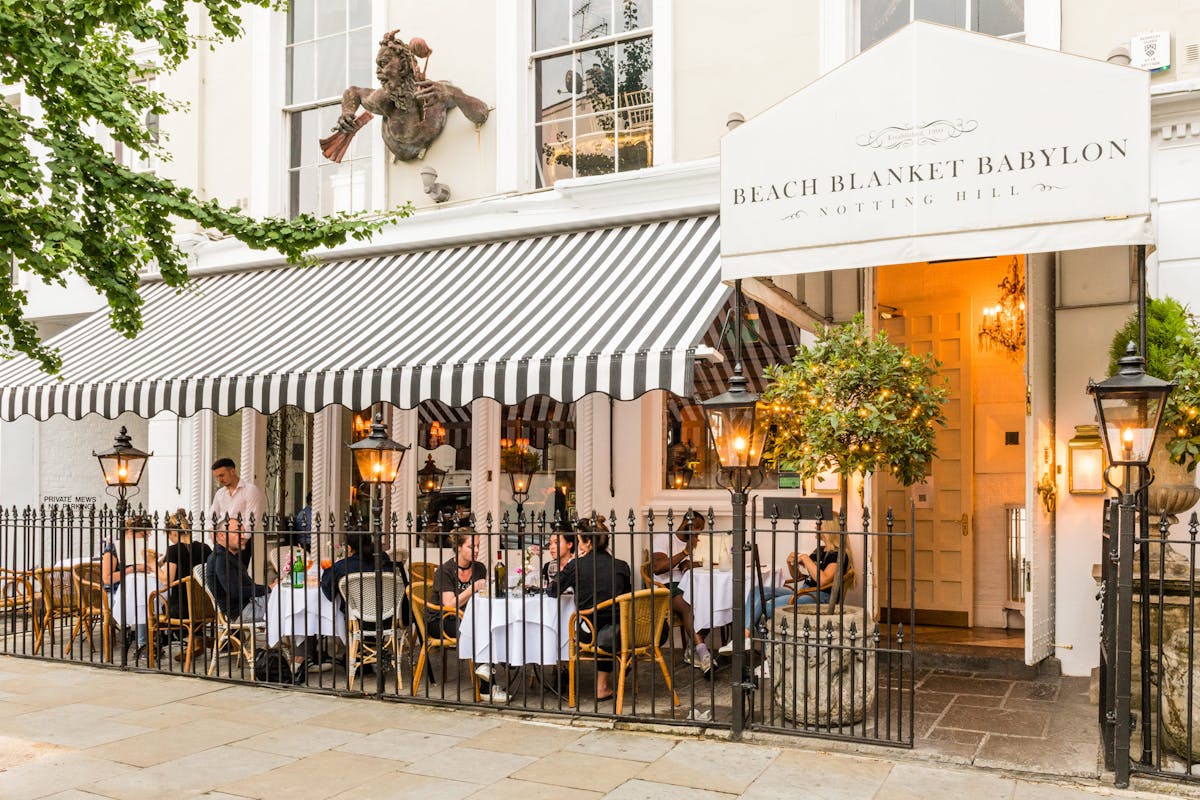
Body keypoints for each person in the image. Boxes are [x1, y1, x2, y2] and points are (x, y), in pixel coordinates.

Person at [721, 530, 852, 655]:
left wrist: (806, 559)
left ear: (830, 529)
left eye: (820, 524)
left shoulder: (839, 555)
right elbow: (797, 577)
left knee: (766, 607)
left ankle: (765, 654)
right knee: (757, 591)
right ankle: (747, 636)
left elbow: (823, 581)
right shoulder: (819, 550)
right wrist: (791, 564)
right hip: (805, 591)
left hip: (821, 596)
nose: (816, 526)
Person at [546, 530, 632, 702]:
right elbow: (627, 597)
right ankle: (603, 686)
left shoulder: (577, 565)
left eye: (579, 541)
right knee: (609, 623)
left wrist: (576, 561)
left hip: (589, 632)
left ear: (587, 543)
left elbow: (553, 591)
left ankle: (593, 684)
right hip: (622, 630)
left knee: (597, 624)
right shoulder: (621, 565)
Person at [428, 531, 505, 703]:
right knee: (478, 628)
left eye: (478, 545)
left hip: (468, 618)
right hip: (441, 621)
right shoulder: (445, 570)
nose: (476, 550)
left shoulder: (479, 568)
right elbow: (448, 605)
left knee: (491, 625)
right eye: (472, 546)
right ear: (459, 548)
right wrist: (472, 589)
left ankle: (488, 672)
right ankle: (488, 687)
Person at [650, 512, 712, 672]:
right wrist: (684, 553)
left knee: (710, 603)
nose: (697, 531)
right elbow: (657, 568)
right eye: (696, 527)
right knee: (687, 605)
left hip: (690, 583)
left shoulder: (696, 542)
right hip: (667, 586)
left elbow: (700, 563)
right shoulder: (664, 538)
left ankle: (692, 650)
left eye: (701, 529)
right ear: (685, 522)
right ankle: (704, 654)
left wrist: (691, 564)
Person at [101, 514, 154, 658]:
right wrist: (132, 569)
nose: (147, 538)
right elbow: (106, 579)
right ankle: (143, 644)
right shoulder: (113, 548)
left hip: (136, 590)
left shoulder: (142, 547)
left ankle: (147, 643)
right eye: (145, 534)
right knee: (141, 600)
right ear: (131, 531)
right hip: (114, 592)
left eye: (149, 535)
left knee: (146, 598)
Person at [205, 519, 272, 623]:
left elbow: (249, 586)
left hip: (252, 603)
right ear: (222, 535)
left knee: (288, 599)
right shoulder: (220, 558)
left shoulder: (230, 556)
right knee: (289, 603)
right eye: (237, 532)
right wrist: (268, 588)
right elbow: (235, 592)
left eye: (243, 532)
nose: (243, 536)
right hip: (243, 612)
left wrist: (271, 587)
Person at [209, 457, 267, 576]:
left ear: (232, 471)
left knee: (239, 577)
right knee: (219, 576)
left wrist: (239, 541)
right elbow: (212, 517)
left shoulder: (250, 490)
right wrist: (213, 533)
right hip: (222, 542)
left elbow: (252, 521)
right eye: (217, 477)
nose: (219, 479)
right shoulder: (220, 493)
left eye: (222, 475)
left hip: (241, 541)